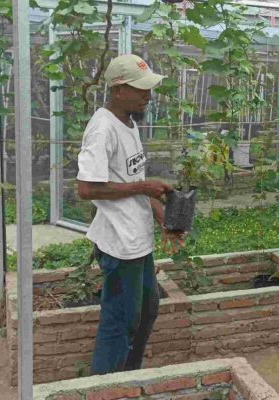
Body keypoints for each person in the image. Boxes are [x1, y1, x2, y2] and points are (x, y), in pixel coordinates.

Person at [76, 54, 184, 375]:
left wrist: (163, 217)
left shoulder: (129, 123)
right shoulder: (102, 129)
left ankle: (127, 376)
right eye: (141, 90)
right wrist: (144, 186)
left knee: (148, 310)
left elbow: (130, 182)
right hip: (120, 245)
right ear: (119, 89)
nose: (148, 96)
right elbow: (87, 188)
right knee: (118, 323)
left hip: (137, 240)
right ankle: (104, 387)